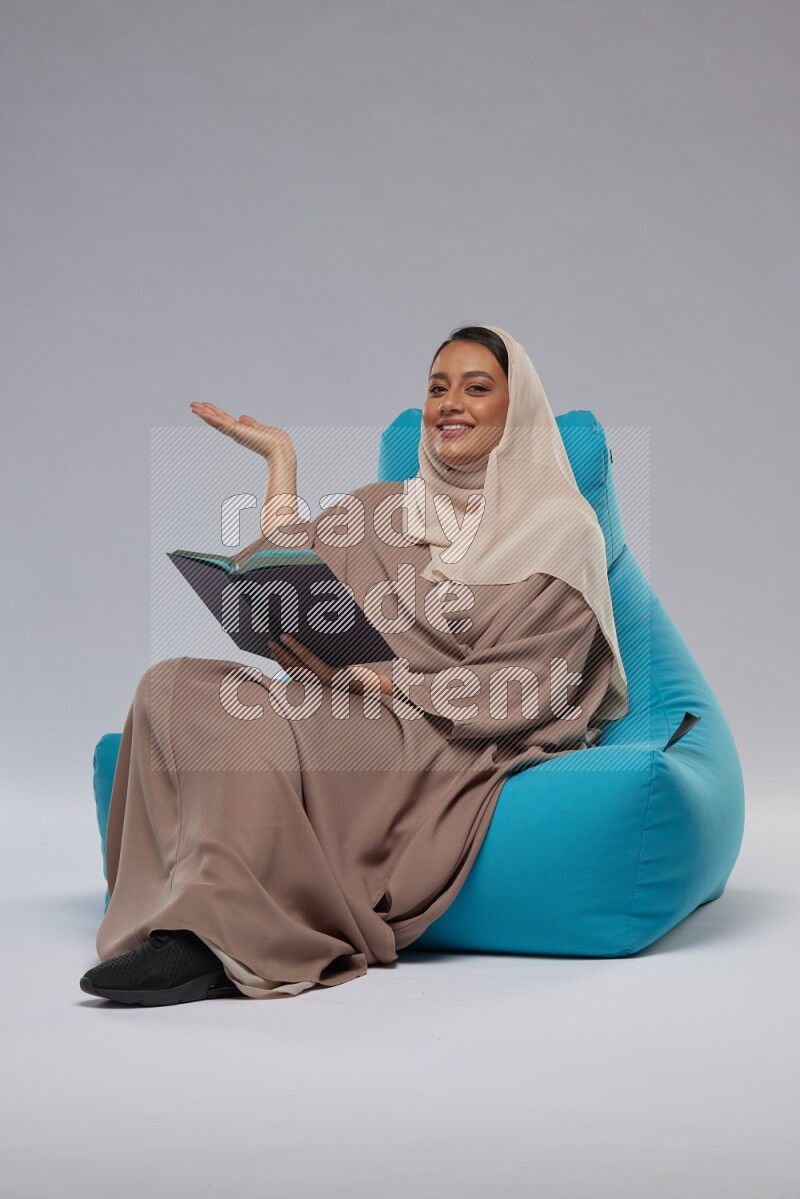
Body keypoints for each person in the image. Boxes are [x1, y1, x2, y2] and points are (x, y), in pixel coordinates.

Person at [80, 324, 629, 1006]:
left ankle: (219, 939)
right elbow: (286, 567)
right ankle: (179, 909)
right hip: (350, 700)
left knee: (259, 727)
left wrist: (390, 681)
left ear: (516, 409)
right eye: (437, 388)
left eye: (476, 387)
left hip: (444, 732)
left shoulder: (560, 529)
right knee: (170, 685)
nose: (449, 403)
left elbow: (538, 681)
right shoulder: (386, 508)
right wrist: (281, 462)